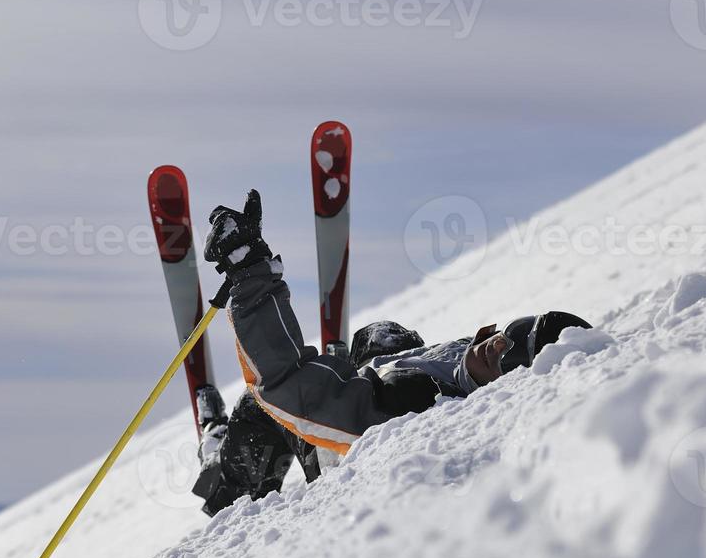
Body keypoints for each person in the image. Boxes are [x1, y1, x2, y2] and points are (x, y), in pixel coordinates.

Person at [190, 190, 592, 516]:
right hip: (380, 377)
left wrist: (250, 274)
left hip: (330, 443)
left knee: (256, 409)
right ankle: (345, 366)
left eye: (511, 357)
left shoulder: (422, 401)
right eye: (507, 334)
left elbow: (287, 386)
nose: (497, 346)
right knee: (385, 336)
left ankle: (221, 474)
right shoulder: (465, 359)